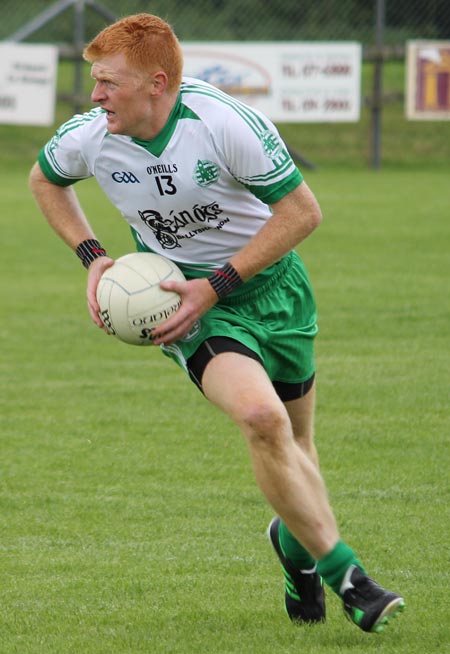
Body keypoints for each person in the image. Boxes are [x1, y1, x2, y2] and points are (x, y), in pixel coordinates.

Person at [29, 13, 405, 634]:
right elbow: (45, 178)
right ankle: (351, 578)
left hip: (276, 291)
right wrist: (93, 258)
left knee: (296, 443)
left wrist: (220, 282)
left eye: (107, 83)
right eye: (94, 82)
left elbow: (302, 212)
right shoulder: (92, 136)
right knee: (262, 420)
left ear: (156, 82)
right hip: (184, 303)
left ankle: (296, 554)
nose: (94, 96)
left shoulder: (222, 122)